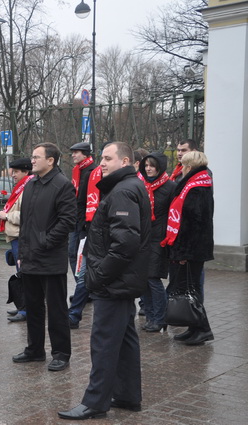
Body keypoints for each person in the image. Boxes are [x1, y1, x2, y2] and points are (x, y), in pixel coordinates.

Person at [58, 142, 151, 420]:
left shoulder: (123, 191)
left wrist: (99, 274)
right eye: (101, 158)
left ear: (125, 161)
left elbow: (125, 243)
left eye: (108, 158)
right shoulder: (126, 187)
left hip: (114, 281)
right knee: (125, 339)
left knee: (104, 342)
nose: (102, 163)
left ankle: (95, 402)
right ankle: (127, 395)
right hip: (121, 280)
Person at [12, 143, 76, 372]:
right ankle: (35, 349)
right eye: (32, 156)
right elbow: (26, 223)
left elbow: (67, 221)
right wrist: (22, 253)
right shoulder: (31, 184)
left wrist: (45, 242)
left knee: (56, 309)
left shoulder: (62, 185)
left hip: (50, 259)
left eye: (36, 157)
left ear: (51, 160)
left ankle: (61, 353)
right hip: (30, 258)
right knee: (33, 307)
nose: (32, 160)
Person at [164, 151, 214, 345]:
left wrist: (184, 251)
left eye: (183, 164)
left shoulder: (197, 187)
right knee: (189, 289)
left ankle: (203, 329)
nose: (181, 168)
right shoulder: (196, 183)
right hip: (193, 247)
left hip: (192, 249)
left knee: (191, 290)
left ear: (190, 167)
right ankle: (194, 328)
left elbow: (194, 223)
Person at [138, 153, 176, 332]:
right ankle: (150, 316)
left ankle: (160, 318)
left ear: (159, 167)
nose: (148, 169)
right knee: (144, 279)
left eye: (152, 166)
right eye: (146, 165)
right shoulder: (142, 185)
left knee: (153, 278)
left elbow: (175, 214)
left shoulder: (170, 187)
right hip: (143, 237)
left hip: (159, 239)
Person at [0, 158, 33, 322]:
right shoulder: (20, 187)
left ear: (26, 172)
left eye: (16, 171)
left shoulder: (28, 187)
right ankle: (22, 305)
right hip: (15, 235)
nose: (12, 174)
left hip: (21, 235)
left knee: (23, 273)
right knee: (20, 273)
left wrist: (7, 216)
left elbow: (27, 214)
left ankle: (26, 309)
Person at [67, 142, 97, 329]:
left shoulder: (93, 171)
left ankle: (83, 293)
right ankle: (83, 290)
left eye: (76, 152)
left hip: (86, 223)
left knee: (83, 263)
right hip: (75, 221)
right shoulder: (77, 171)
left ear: (85, 154)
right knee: (72, 255)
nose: (73, 155)